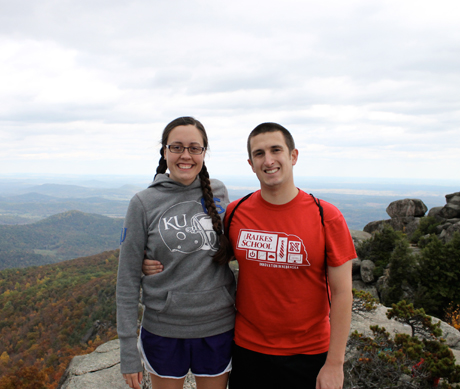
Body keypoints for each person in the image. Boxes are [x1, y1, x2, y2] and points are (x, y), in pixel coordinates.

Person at [144, 122, 356, 389]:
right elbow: (205, 254)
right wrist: (148, 256)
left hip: (308, 353)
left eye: (276, 150)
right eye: (259, 153)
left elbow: (342, 293)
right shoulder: (236, 212)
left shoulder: (327, 216)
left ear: (293, 156)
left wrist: (335, 363)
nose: (268, 160)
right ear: (250, 163)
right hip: (248, 351)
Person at [117, 117, 236, 389]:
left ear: (204, 153)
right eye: (177, 147)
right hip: (164, 329)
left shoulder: (218, 192)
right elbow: (126, 279)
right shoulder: (143, 203)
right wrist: (127, 349)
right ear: (164, 151)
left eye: (195, 148)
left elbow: (231, 247)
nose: (186, 155)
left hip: (218, 326)